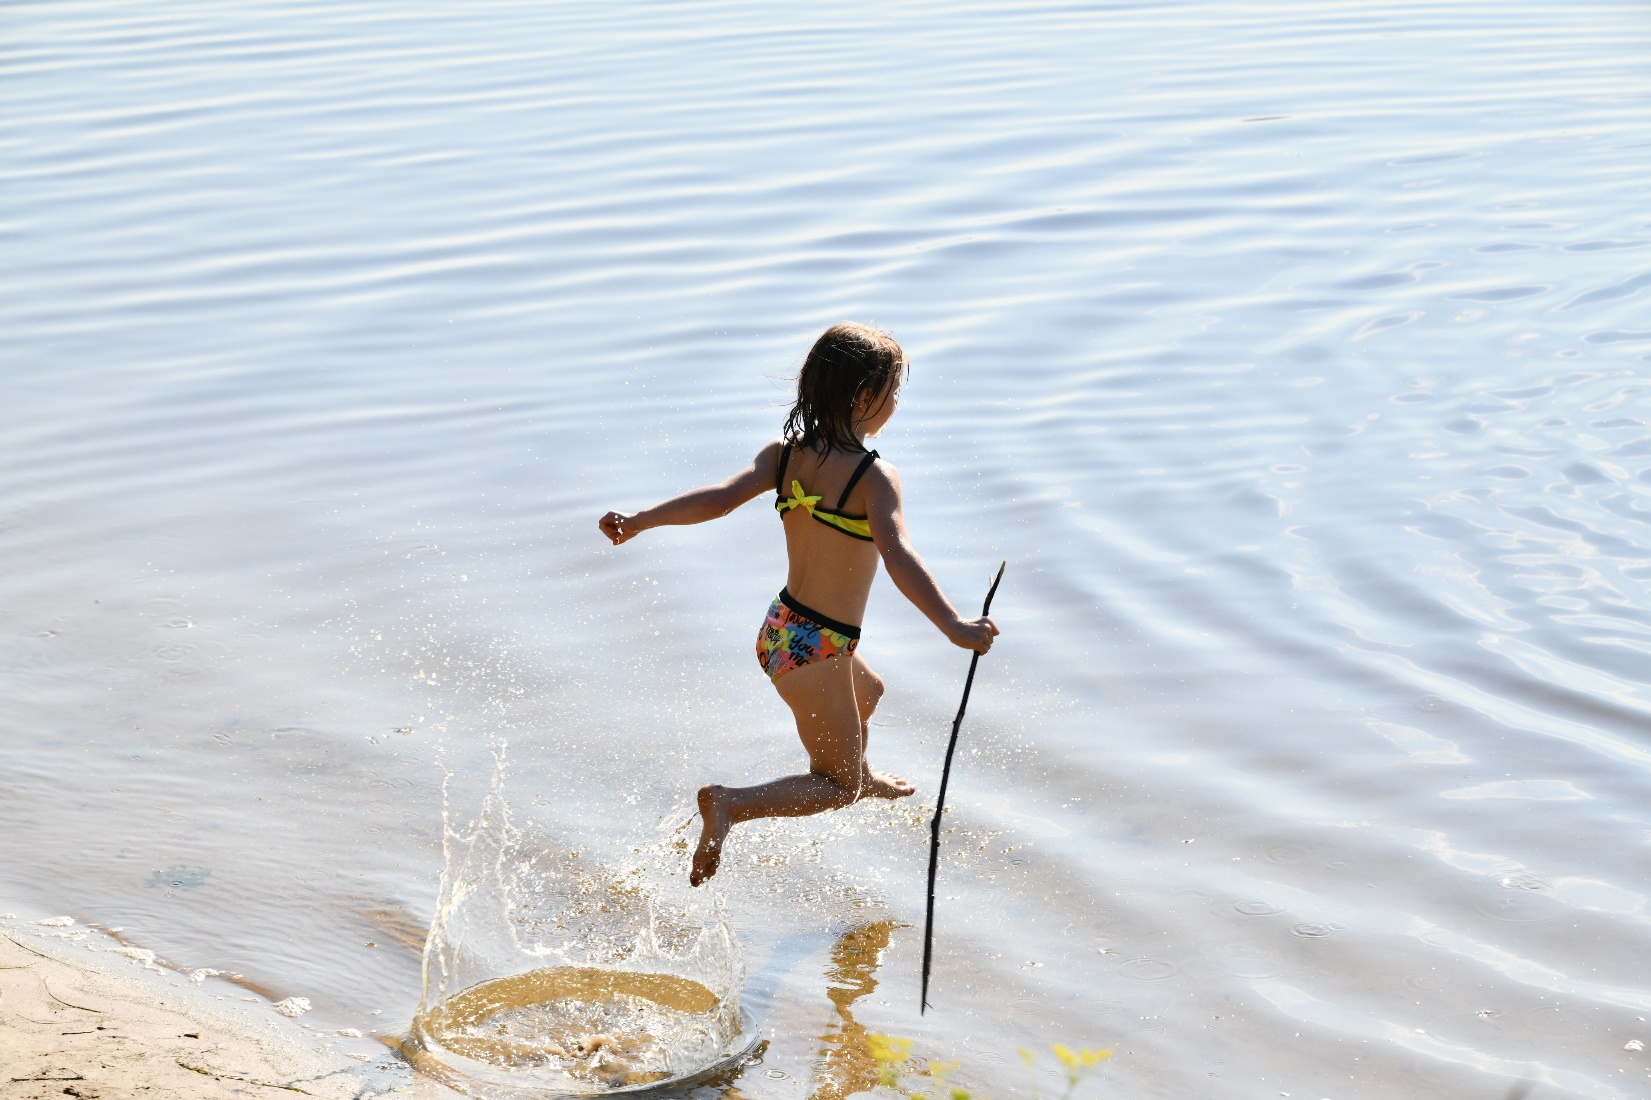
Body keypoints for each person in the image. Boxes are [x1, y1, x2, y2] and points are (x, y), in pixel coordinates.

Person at [598, 322, 999, 886]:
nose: (897, 402)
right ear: (864, 397)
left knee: (871, 690)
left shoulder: (785, 456)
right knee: (839, 790)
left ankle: (856, 766)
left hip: (782, 627)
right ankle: (732, 804)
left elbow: (716, 501)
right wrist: (952, 623)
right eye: (893, 390)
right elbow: (898, 555)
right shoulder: (873, 477)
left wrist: (641, 521)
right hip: (816, 649)